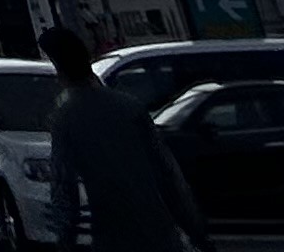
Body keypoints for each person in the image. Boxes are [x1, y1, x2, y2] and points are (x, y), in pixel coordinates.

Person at [40, 32, 209, 252]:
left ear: (59, 69)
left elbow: (64, 188)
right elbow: (169, 175)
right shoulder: (130, 106)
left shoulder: (65, 118)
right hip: (160, 232)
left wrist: (65, 240)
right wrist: (196, 233)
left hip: (113, 233)